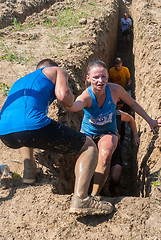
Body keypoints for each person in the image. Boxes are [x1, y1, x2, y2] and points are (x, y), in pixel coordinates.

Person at [0, 59, 113, 215]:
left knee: (26, 130)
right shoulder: (57, 71)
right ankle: (81, 199)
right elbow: (63, 96)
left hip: (5, 132)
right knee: (88, 147)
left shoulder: (21, 81)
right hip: (31, 123)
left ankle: (29, 172)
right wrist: (71, 101)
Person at [68, 60, 161, 197]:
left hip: (108, 132)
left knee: (105, 158)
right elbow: (74, 106)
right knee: (86, 162)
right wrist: (66, 101)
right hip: (88, 133)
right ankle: (80, 194)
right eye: (96, 77)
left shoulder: (115, 90)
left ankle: (94, 195)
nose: (100, 81)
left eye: (104, 76)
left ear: (108, 76)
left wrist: (150, 120)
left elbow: (133, 104)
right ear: (88, 78)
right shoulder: (86, 96)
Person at [108, 109, 140, 197]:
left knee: (115, 176)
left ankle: (112, 189)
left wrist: (135, 136)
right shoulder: (93, 114)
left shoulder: (117, 114)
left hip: (115, 147)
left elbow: (130, 119)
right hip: (98, 149)